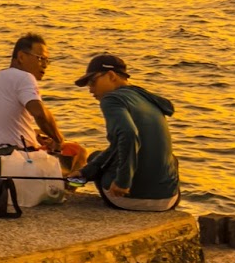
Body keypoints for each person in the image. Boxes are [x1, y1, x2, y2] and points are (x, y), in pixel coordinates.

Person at [0, 33, 90, 177]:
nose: (44, 65)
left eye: (47, 60)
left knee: (42, 145)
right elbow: (40, 114)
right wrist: (58, 139)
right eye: (40, 58)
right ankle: (66, 190)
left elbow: (3, 124)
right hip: (7, 166)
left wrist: (34, 133)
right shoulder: (24, 77)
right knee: (77, 152)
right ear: (21, 57)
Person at [70, 54, 181, 210]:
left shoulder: (111, 100)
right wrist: (85, 172)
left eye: (92, 82)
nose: (90, 89)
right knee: (170, 158)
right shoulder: (147, 99)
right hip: (169, 200)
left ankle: (71, 186)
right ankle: (78, 179)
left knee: (95, 156)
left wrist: (123, 181)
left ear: (111, 75)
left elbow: (128, 134)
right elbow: (121, 143)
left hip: (127, 199)